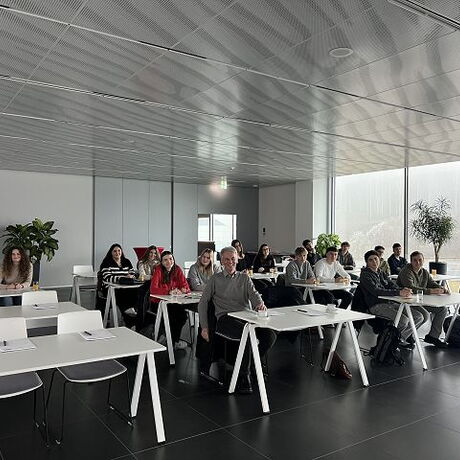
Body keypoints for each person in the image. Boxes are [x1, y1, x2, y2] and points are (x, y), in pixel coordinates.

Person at [198, 246, 277, 394]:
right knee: (247, 335)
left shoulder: (244, 278)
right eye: (226, 259)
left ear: (237, 259)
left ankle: (251, 364)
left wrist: (260, 305)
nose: (230, 262)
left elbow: (255, 295)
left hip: (246, 316)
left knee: (270, 335)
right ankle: (243, 376)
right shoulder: (215, 279)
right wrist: (204, 327)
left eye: (233, 259)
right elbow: (203, 303)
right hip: (225, 318)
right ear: (222, 261)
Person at [360, 249, 424, 347]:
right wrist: (398, 292)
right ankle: (391, 342)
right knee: (403, 321)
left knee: (419, 317)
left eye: (376, 259)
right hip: (376, 305)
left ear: (379, 260)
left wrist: (403, 289)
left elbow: (391, 284)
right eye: (370, 260)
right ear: (367, 263)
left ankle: (398, 339)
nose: (374, 262)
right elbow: (376, 291)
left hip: (390, 302)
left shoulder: (380, 272)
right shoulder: (365, 275)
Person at [397, 251, 448, 348]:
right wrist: (431, 291)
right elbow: (411, 288)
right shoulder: (406, 272)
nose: (418, 262)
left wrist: (442, 288)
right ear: (411, 261)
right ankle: (405, 336)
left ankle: (433, 336)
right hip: (407, 302)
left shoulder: (424, 272)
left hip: (420, 301)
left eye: (420, 260)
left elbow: (431, 283)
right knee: (424, 315)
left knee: (442, 309)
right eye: (415, 260)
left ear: (423, 261)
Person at [150, 251, 190, 349]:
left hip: (173, 302)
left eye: (171, 259)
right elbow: (153, 289)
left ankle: (172, 340)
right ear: (162, 262)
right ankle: (172, 342)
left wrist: (182, 290)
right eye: (165, 260)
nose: (169, 262)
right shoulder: (158, 270)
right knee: (172, 317)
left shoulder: (177, 269)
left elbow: (186, 287)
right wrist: (169, 291)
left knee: (182, 316)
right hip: (158, 303)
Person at [99, 243, 137, 325]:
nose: (117, 253)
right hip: (110, 288)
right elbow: (107, 277)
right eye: (115, 251)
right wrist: (122, 278)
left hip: (126, 287)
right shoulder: (106, 262)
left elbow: (133, 273)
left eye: (119, 250)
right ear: (111, 252)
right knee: (121, 293)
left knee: (137, 291)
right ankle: (127, 310)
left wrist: (130, 276)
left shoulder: (126, 261)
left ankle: (131, 317)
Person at [135, 245, 161, 332]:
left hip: (156, 285)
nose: (153, 255)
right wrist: (153, 277)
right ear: (148, 253)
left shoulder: (159, 263)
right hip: (145, 285)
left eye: (155, 253)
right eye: (151, 252)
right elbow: (141, 276)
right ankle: (141, 326)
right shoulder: (142, 262)